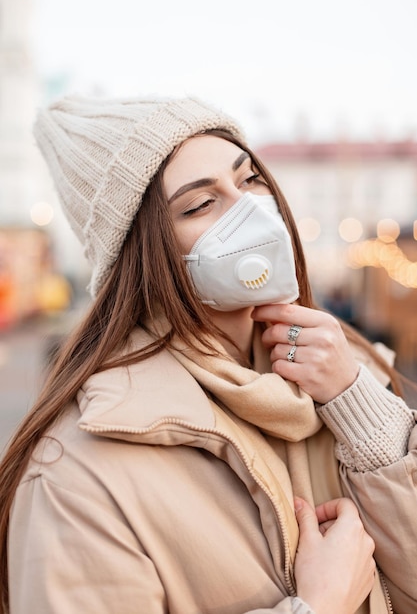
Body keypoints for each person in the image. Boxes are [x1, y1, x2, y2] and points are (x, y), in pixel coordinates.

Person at [0, 95, 416, 614]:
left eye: (249, 181)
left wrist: (358, 405)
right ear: (142, 257)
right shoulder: (73, 477)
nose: (249, 213)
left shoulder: (348, 366)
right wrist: (319, 606)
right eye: (200, 204)